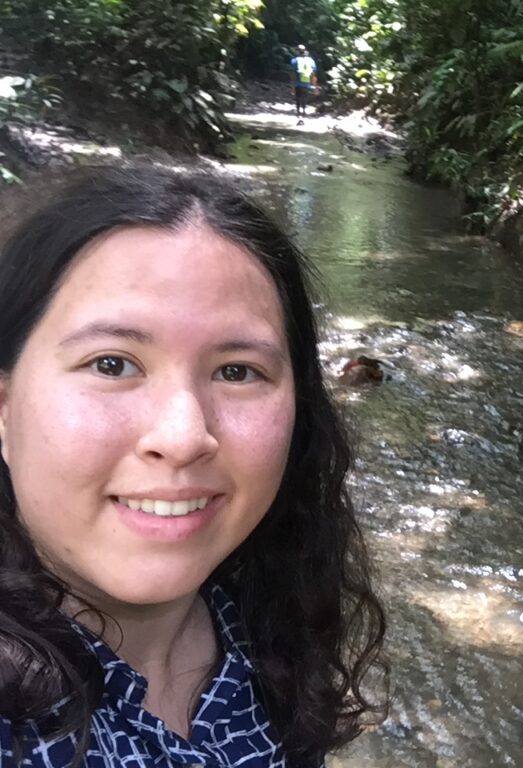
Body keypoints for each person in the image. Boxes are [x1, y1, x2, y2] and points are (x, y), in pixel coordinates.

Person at [0, 165, 386, 767]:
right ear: (4, 408)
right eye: (111, 363)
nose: (183, 437)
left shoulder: (264, 617)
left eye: (236, 371)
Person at [289, 44, 317, 125]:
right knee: (304, 98)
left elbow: (293, 74)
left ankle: (299, 114)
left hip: (298, 83)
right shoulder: (311, 61)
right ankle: (304, 112)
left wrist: (292, 86)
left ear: (297, 51)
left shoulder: (294, 60)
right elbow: (313, 74)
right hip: (307, 83)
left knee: (298, 98)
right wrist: (314, 86)